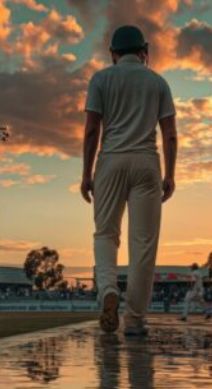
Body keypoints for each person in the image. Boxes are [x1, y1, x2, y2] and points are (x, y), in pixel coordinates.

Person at [81, 25, 178, 336]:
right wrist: (170, 174)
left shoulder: (101, 79)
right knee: (143, 245)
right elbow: (170, 134)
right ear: (144, 51)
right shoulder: (158, 82)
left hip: (110, 160)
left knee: (105, 234)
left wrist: (86, 174)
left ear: (113, 54)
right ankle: (135, 320)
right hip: (147, 161)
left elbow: (92, 131)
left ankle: (108, 289)